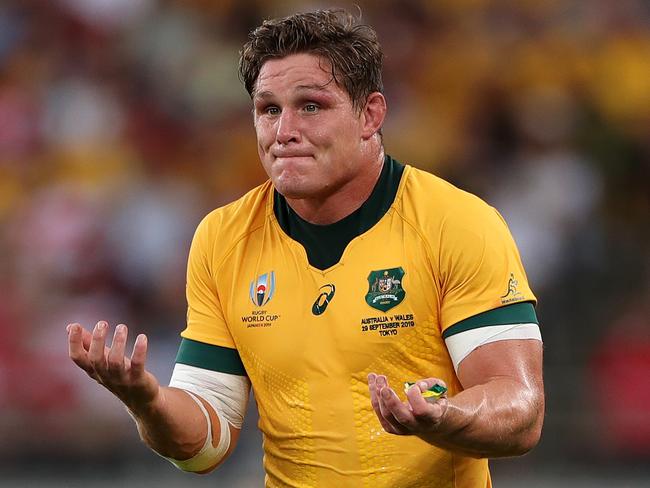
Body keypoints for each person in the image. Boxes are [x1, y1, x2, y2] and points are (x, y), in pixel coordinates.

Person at [67, 9, 544, 487]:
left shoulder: (456, 223)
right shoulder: (223, 238)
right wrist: (148, 402)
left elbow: (520, 410)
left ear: (370, 114)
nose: (284, 131)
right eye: (269, 109)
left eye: (311, 106)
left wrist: (445, 418)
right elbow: (205, 446)